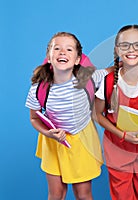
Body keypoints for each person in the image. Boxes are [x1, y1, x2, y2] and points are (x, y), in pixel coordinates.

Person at [25, 32, 110, 200]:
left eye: (69, 49)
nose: (62, 52)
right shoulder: (38, 88)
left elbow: (113, 70)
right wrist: (48, 133)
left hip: (80, 141)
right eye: (57, 48)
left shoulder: (87, 78)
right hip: (53, 141)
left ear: (78, 59)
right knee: (56, 194)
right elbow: (34, 118)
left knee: (83, 194)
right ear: (49, 57)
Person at [94, 24, 138, 200]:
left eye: (137, 45)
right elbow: (97, 115)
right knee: (122, 195)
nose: (131, 49)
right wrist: (123, 134)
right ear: (117, 49)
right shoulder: (108, 81)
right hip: (117, 147)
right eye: (125, 45)